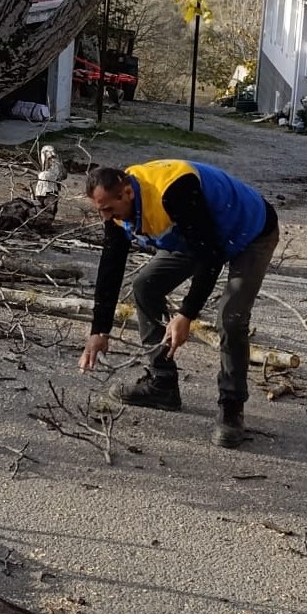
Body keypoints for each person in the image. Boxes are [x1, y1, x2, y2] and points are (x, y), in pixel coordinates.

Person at [77, 159, 279, 448]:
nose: (106, 217)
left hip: (250, 231)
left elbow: (211, 257)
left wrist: (186, 314)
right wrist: (99, 330)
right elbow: (111, 265)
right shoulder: (117, 209)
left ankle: (232, 406)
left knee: (231, 317)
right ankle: (162, 384)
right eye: (101, 211)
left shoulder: (174, 192)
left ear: (127, 193)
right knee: (145, 285)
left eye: (108, 209)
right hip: (200, 235)